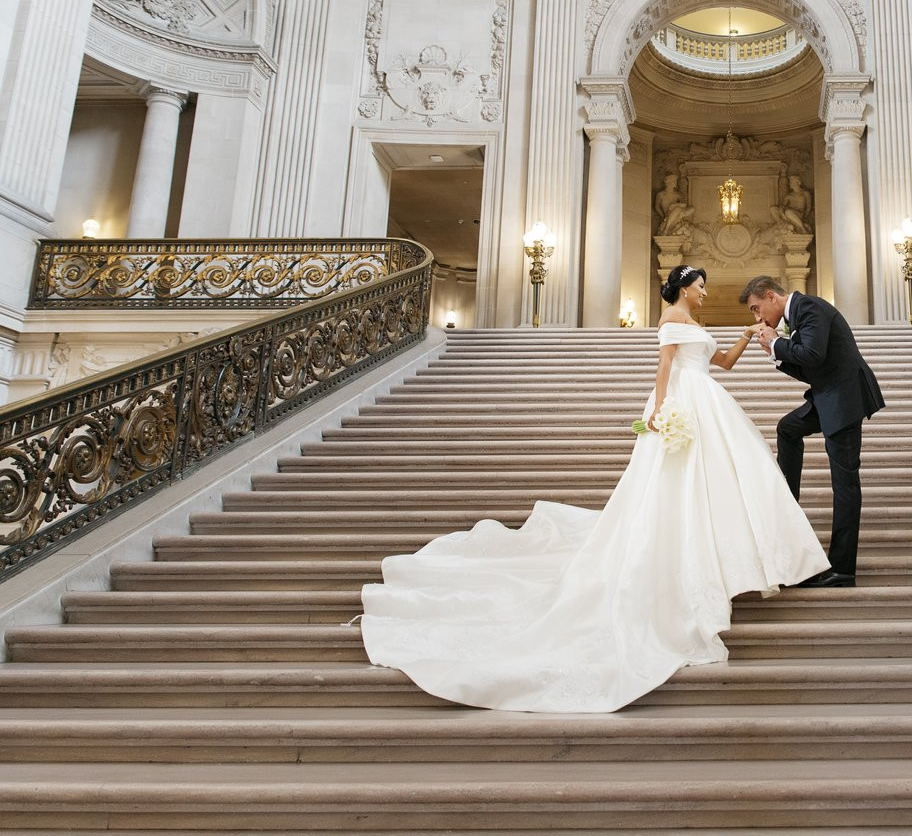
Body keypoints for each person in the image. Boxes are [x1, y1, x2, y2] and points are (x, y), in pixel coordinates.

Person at [359, 265, 829, 712]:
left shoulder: (694, 322)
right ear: (685, 288)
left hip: (709, 400)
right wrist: (660, 413)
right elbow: (665, 369)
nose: (706, 293)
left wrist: (748, 337)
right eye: (702, 286)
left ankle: (725, 555)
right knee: (676, 488)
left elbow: (722, 363)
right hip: (685, 404)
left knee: (722, 481)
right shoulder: (671, 318)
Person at [741, 276, 884, 588]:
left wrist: (778, 342)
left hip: (845, 399)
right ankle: (787, 500)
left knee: (844, 484)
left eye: (756, 309)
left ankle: (842, 569)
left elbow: (813, 355)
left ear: (770, 296)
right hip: (828, 395)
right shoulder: (799, 314)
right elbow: (809, 368)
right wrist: (775, 352)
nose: (757, 317)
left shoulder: (809, 307)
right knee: (788, 428)